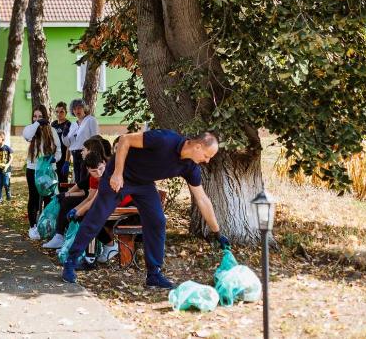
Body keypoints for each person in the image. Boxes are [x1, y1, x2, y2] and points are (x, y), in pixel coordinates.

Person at [61, 130, 231, 288]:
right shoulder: (166, 140)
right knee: (96, 218)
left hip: (143, 184)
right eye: (207, 156)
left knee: (157, 221)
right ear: (198, 146)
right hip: (119, 177)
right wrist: (118, 173)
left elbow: (202, 199)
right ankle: (71, 262)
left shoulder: (190, 167)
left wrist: (217, 233)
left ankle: (154, 274)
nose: (207, 160)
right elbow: (124, 140)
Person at [23, 105, 62, 240]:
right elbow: (27, 135)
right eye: (35, 116)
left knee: (49, 199)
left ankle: (47, 226)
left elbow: (59, 153)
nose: (37, 119)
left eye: (40, 117)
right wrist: (37, 124)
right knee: (33, 197)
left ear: (45, 117)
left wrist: (52, 160)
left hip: (48, 171)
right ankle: (33, 227)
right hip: (33, 169)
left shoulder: (52, 131)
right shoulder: (30, 130)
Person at [63, 99, 99, 184]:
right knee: (77, 181)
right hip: (75, 155)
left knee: (84, 181)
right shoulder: (73, 124)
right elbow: (68, 143)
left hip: (86, 155)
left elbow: (95, 139)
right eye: (74, 109)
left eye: (79, 108)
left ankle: (86, 196)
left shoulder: (91, 120)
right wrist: (64, 135)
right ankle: (78, 197)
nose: (77, 111)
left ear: (84, 108)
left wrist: (92, 155)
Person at [51, 102, 73, 184]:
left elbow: (69, 144)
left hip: (63, 158)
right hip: (54, 157)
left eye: (61, 112)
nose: (58, 114)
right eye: (57, 112)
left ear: (66, 113)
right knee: (54, 182)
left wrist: (67, 161)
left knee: (62, 183)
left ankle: (64, 196)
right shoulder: (53, 124)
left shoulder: (68, 125)